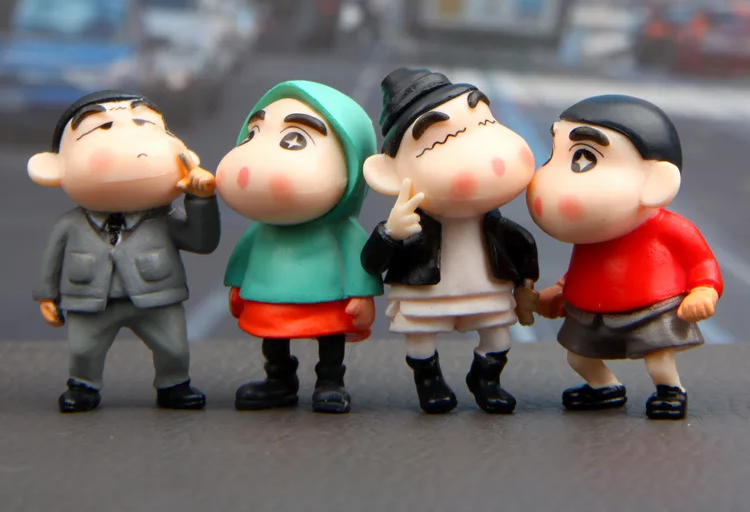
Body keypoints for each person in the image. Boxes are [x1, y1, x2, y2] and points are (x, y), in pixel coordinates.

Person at [526, 94, 722, 420]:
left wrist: (704, 290)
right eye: (553, 155)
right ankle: (605, 387)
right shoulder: (592, 233)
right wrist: (559, 293)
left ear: (656, 181)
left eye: (584, 158)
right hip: (590, 310)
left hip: (651, 308)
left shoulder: (670, 228)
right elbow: (583, 269)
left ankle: (670, 391)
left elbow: (701, 262)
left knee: (658, 359)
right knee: (579, 358)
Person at [29, 90, 220, 413]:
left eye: (146, 124)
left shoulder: (163, 219)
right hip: (90, 299)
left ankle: (174, 384)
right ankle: (82, 385)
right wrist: (47, 296)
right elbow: (52, 260)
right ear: (53, 168)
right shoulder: (70, 225)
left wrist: (201, 200)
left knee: (173, 347)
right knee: (83, 349)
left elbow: (203, 242)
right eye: (100, 128)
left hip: (157, 296)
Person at [361, 68, 539, 415]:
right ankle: (429, 381)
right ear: (389, 173)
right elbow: (371, 263)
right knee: (420, 337)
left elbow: (522, 247)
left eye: (486, 121)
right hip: (425, 292)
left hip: (486, 288)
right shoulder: (407, 225)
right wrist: (390, 233)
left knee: (498, 334)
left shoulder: (497, 228)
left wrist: (525, 283)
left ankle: (486, 379)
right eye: (442, 141)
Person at [218, 80, 383, 414]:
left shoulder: (341, 231)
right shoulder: (263, 230)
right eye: (252, 134)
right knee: (274, 341)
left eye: (294, 140)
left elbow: (360, 260)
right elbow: (243, 256)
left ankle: (330, 382)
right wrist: (237, 286)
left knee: (331, 341)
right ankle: (279, 380)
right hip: (269, 295)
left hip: (330, 298)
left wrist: (363, 295)